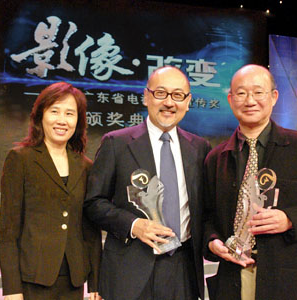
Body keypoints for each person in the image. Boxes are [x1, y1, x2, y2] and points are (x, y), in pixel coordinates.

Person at [202, 64, 297, 300]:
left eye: (258, 92)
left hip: (286, 277)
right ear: (230, 99)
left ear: (274, 97)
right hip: (233, 276)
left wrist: (290, 219)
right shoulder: (216, 158)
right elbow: (207, 216)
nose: (250, 100)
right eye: (241, 93)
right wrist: (212, 242)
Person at [84, 66, 211, 300]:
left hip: (182, 270)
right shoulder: (116, 144)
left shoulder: (200, 148)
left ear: (188, 100)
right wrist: (134, 225)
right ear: (146, 96)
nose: (169, 103)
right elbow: (93, 203)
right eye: (161, 93)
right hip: (130, 268)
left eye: (178, 95)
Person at [0, 82, 102, 300]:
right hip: (32, 279)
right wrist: (11, 289)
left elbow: (90, 232)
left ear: (78, 121)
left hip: (73, 279)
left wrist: (95, 283)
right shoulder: (20, 159)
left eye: (70, 113)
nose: (62, 120)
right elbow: (8, 231)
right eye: (54, 111)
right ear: (40, 116)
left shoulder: (85, 166)